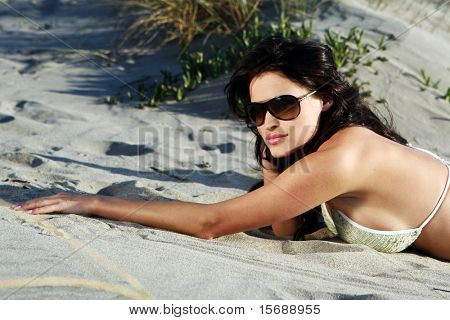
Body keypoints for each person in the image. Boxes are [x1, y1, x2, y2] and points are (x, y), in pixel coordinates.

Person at [11, 36, 450, 261]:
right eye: (257, 113)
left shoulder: (344, 155)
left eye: (283, 104)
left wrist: (91, 202)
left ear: (326, 98)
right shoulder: (317, 149)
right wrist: (275, 164)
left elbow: (211, 222)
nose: (269, 122)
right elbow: (285, 232)